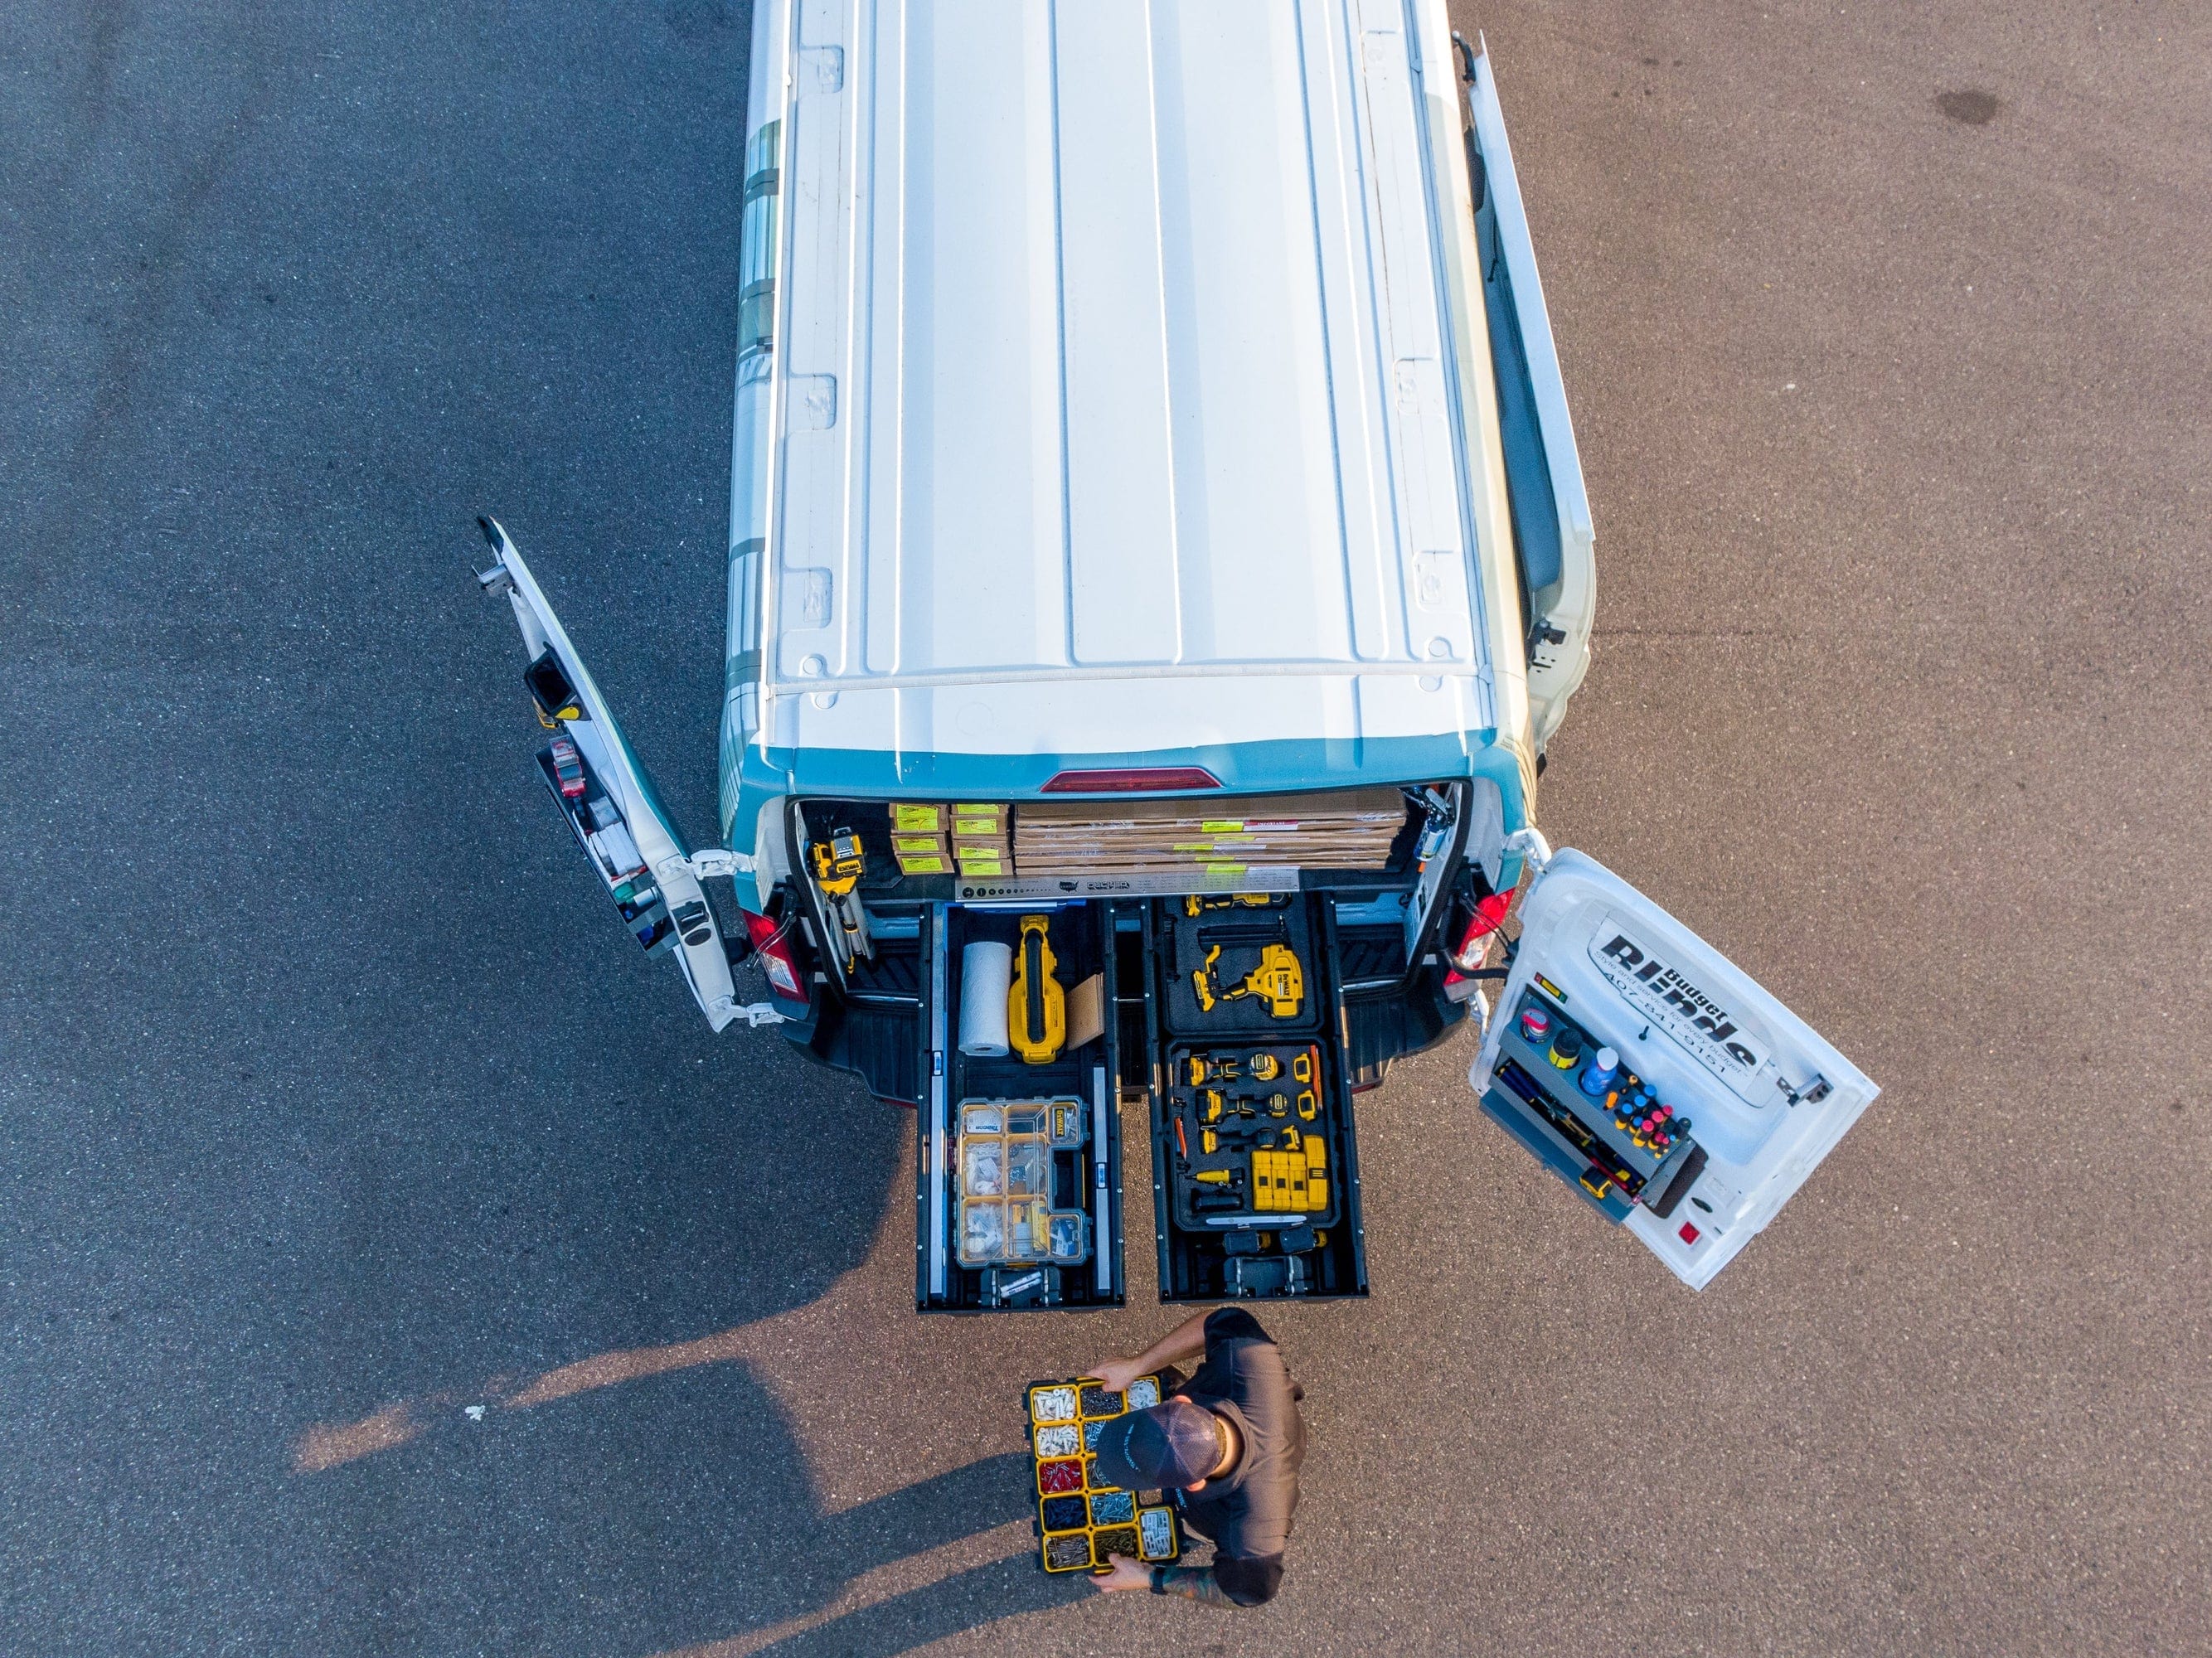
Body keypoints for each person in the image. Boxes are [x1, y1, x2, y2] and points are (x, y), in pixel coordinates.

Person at [1086, 1307, 1304, 1607]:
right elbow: (1220, 1320)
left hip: (1257, 1487)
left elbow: (1245, 1593)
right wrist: (1136, 1366)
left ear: (1193, 1486)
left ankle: (1188, 1529)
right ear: (1180, 1401)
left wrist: (1151, 1577)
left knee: (1191, 1528)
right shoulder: (1245, 1362)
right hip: (1273, 1419)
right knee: (1150, 1376)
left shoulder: (1251, 1534)